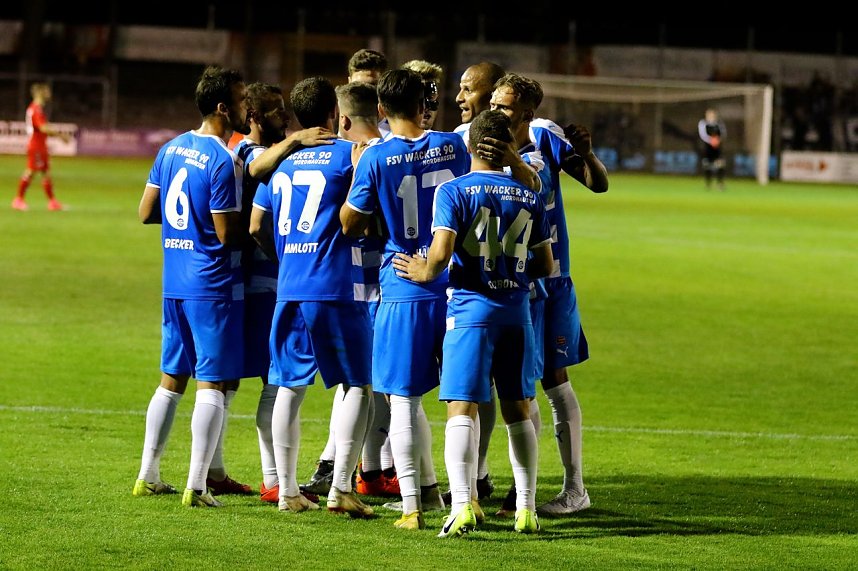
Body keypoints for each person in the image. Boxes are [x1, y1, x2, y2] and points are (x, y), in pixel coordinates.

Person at [392, 109, 554, 537]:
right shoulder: (528, 194)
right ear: (508, 147)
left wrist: (421, 270)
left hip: (471, 312)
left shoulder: (454, 190)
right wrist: (511, 271)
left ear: (470, 146)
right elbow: (545, 262)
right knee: (518, 408)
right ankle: (526, 508)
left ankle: (462, 504)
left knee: (461, 408)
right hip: (517, 313)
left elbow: (441, 256)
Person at [340, 69, 471, 530]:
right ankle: (462, 496)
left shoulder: (375, 159)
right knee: (466, 399)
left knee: (402, 399)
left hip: (404, 284)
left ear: (381, 111)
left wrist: (359, 177)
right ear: (424, 104)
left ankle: (413, 504)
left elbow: (350, 223)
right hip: (457, 281)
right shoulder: (453, 146)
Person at [249, 76, 374, 518]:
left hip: (291, 287)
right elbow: (358, 218)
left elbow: (254, 226)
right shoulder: (349, 156)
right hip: (337, 286)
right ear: (336, 117)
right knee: (357, 383)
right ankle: (341, 489)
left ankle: (286, 492)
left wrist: (287, 257)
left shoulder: (281, 163)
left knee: (288, 386)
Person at [489, 72, 609, 517]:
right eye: (495, 104)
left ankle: (574, 488)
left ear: (527, 113)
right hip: (511, 283)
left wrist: (588, 155)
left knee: (554, 383)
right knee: (518, 389)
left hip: (552, 280)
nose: (496, 112)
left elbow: (597, 183)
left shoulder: (543, 138)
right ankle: (521, 492)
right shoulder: (480, 144)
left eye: (504, 107)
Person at [133, 65, 251, 508]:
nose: (246, 107)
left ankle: (148, 474)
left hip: (174, 283)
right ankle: (197, 485)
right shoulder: (222, 160)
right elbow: (226, 234)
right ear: (223, 108)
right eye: (241, 101)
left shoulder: (170, 149)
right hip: (211, 284)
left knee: (171, 379)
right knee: (213, 383)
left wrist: (186, 226)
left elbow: (147, 211)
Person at [232, 81, 336, 504]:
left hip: (280, 283)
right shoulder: (247, 150)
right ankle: (275, 480)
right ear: (254, 117)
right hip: (260, 284)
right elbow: (257, 173)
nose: (285, 119)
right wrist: (296, 140)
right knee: (274, 383)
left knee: (274, 383)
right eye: (275, 112)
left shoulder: (287, 156)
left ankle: (273, 479)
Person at [300, 48, 395, 498]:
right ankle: (342, 467)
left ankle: (375, 468)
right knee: (358, 378)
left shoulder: (394, 140)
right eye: (361, 80)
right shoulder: (341, 147)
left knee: (382, 378)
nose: (369, 88)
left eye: (375, 81)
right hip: (351, 275)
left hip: (386, 273)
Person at [12, 82, 70, 211]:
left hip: (40, 145)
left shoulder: (36, 109)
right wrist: (61, 136)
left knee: (45, 172)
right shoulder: (35, 109)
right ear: (40, 93)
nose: (49, 94)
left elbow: (44, 127)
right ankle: (18, 200)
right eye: (46, 91)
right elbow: (43, 128)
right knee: (31, 172)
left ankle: (52, 202)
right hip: (36, 145)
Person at [401, 59, 444, 130]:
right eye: (418, 99)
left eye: (430, 97)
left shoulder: (448, 140)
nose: (425, 107)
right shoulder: (384, 139)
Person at [698, 108, 726, 190]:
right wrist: (711, 140)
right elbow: (702, 135)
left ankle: (720, 184)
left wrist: (717, 141)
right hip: (707, 148)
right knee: (707, 165)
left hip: (717, 148)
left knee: (720, 165)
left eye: (712, 114)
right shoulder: (703, 123)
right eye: (709, 114)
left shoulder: (719, 124)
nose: (710, 116)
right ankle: (708, 184)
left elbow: (723, 134)